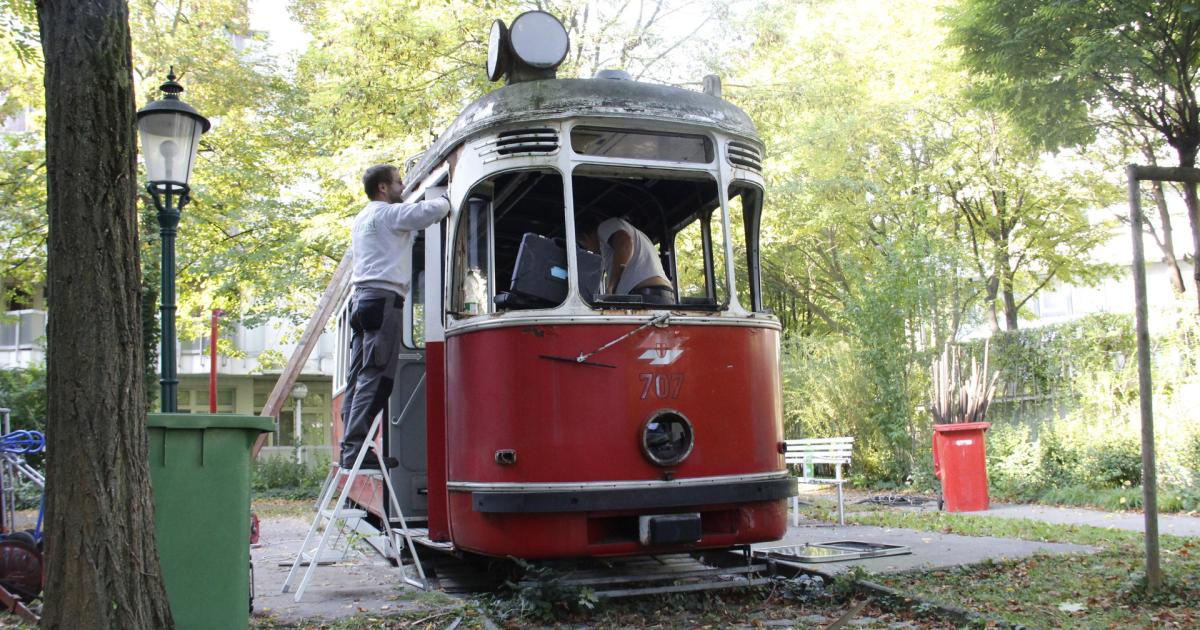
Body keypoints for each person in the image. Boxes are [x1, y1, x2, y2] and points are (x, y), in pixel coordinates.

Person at [340, 161, 453, 469]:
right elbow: (431, 212)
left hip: (362, 301)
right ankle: (356, 452)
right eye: (398, 182)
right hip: (383, 301)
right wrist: (448, 195)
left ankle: (350, 448)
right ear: (383, 188)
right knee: (377, 378)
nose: (402, 187)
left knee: (358, 377)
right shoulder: (388, 213)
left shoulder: (361, 219)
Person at [576, 216, 676, 305]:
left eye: (586, 247)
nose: (591, 251)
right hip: (666, 297)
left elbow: (625, 243)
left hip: (644, 297)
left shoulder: (605, 227)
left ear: (586, 237)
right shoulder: (639, 236)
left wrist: (611, 286)